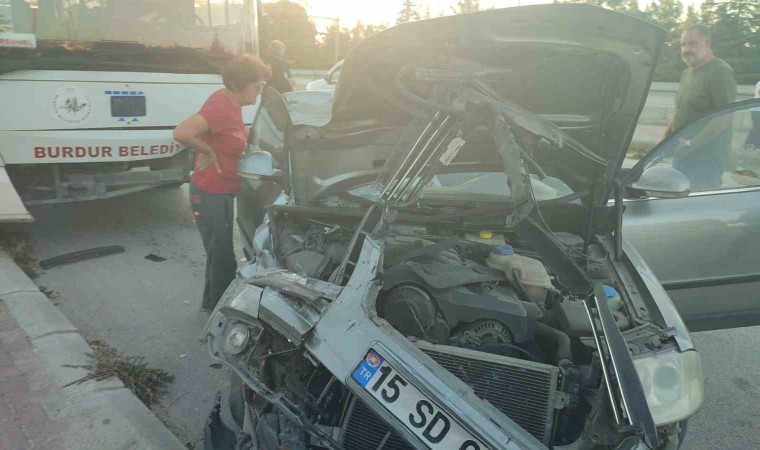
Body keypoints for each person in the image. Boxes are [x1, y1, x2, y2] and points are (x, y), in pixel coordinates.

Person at [173, 55, 271, 310]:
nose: (259, 93)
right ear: (239, 84)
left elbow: (229, 133)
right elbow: (182, 132)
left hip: (221, 191)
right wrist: (206, 150)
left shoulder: (231, 104)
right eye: (256, 87)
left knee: (219, 253)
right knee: (222, 256)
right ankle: (221, 310)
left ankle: (211, 304)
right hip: (210, 192)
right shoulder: (220, 107)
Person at [664, 24, 737, 190]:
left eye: (692, 43)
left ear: (706, 43)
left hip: (705, 161)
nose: (686, 49)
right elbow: (680, 108)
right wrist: (666, 137)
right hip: (682, 154)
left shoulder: (720, 71)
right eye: (683, 44)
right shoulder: (687, 73)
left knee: (698, 203)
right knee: (676, 199)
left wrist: (692, 143)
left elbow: (725, 116)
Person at [745, 80, 760, 150]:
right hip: (757, 110)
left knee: (756, 128)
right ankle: (755, 145)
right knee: (757, 128)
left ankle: (748, 144)